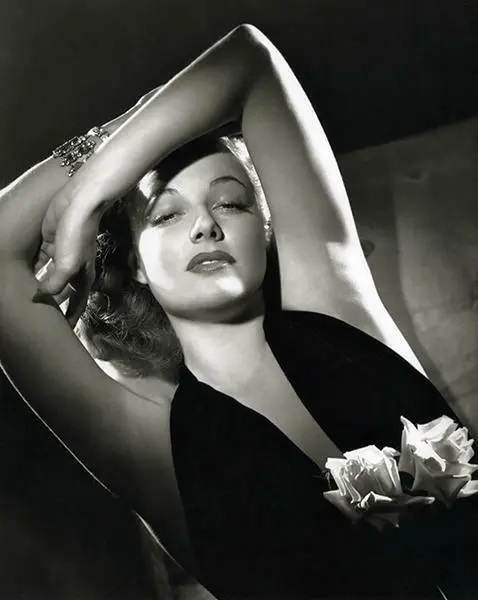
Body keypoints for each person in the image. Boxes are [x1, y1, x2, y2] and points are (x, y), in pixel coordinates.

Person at [0, 24, 477, 599]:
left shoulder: (342, 313)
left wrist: (92, 193)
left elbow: (251, 61)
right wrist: (100, 160)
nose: (206, 224)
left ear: (266, 233)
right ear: (136, 264)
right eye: (166, 215)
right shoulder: (149, 445)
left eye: (230, 202)